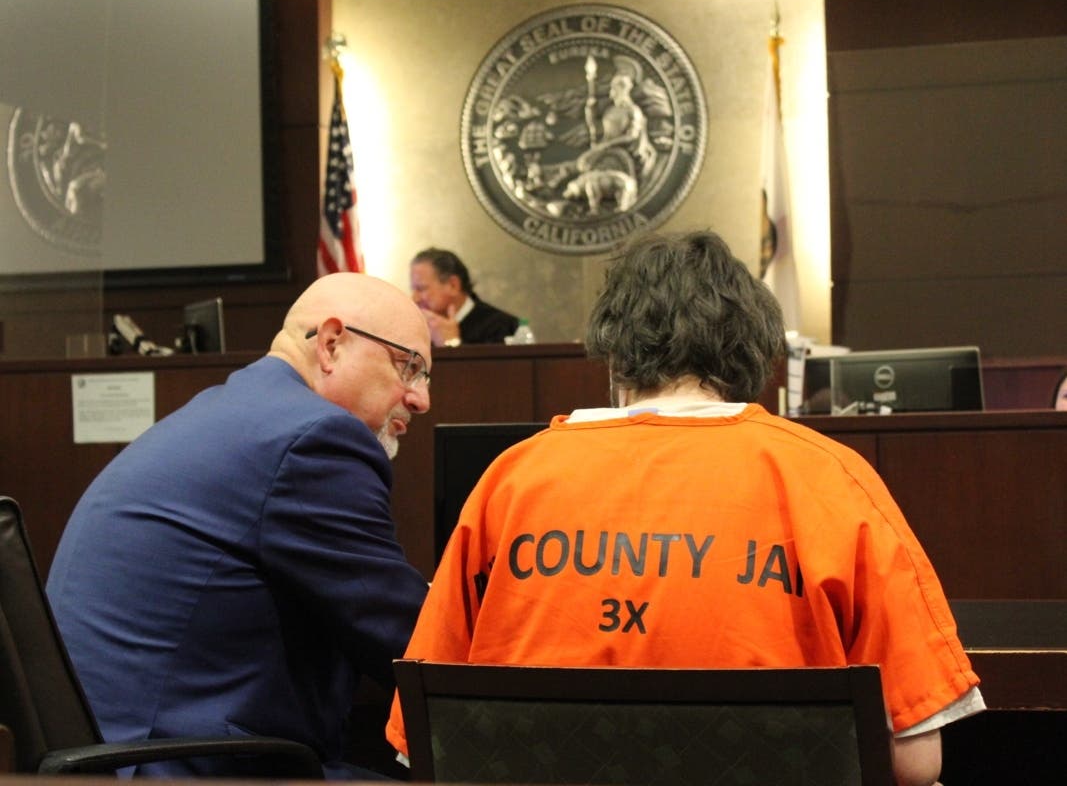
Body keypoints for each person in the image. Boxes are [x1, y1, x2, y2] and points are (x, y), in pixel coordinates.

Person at [386, 231, 984, 786]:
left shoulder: (509, 481)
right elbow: (912, 761)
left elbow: (428, 738)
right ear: (751, 351)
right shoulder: (833, 478)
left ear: (615, 352)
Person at [47, 273, 432, 780]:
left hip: (110, 754)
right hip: (169, 765)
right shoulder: (313, 438)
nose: (420, 398)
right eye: (410, 367)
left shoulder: (234, 411)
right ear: (332, 344)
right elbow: (410, 640)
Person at [409, 247, 519, 346]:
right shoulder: (419, 329)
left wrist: (451, 343)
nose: (415, 299)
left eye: (421, 289)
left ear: (453, 285)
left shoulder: (501, 326)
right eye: (413, 289)